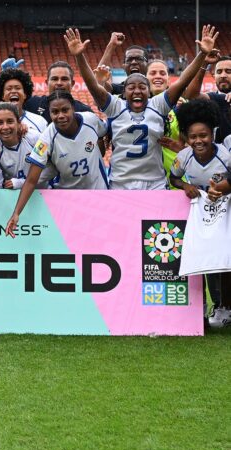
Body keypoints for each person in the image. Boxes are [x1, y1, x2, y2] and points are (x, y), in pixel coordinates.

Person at [65, 25, 218, 190]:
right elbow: (93, 85)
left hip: (155, 184)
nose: (137, 91)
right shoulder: (116, 107)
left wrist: (202, 54)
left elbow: (182, 81)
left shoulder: (158, 105)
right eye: (131, 87)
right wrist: (79, 56)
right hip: (121, 183)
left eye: (142, 87)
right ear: (124, 91)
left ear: (149, 90)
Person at [5, 91, 109, 237]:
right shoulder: (46, 138)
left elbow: (105, 131)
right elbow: (31, 180)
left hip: (99, 197)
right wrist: (16, 213)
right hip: (68, 201)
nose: (60, 116)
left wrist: (100, 148)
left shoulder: (90, 120)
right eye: (55, 112)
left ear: (73, 108)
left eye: (65, 110)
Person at [170, 99, 231, 326]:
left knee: (225, 262)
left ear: (212, 134)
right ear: (186, 137)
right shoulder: (184, 156)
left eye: (203, 135)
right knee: (202, 259)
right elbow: (173, 177)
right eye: (193, 137)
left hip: (225, 214)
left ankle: (225, 307)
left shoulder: (225, 155)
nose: (198, 141)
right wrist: (185, 186)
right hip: (200, 217)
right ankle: (203, 309)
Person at [0, 103, 54, 190]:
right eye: (0, 123)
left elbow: (52, 168)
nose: (5, 127)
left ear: (18, 123)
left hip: (42, 194)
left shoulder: (35, 138)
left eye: (10, 121)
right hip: (13, 197)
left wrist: (23, 182)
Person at [23, 61, 93, 124]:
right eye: (54, 79)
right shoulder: (31, 104)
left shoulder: (84, 111)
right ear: (47, 83)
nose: (59, 83)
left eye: (64, 79)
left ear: (72, 83)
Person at [183, 54, 231, 143]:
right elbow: (191, 95)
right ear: (213, 75)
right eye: (219, 72)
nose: (223, 75)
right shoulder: (212, 99)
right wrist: (204, 63)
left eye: (228, 71)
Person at [0, 68, 47, 136]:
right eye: (9, 88)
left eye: (17, 88)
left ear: (25, 95)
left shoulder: (40, 121)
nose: (13, 91)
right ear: (2, 96)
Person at [97, 32, 149, 96]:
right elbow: (98, 84)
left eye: (138, 59)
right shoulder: (116, 89)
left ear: (148, 65)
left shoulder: (156, 89)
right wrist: (112, 45)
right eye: (129, 60)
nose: (133, 62)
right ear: (123, 67)